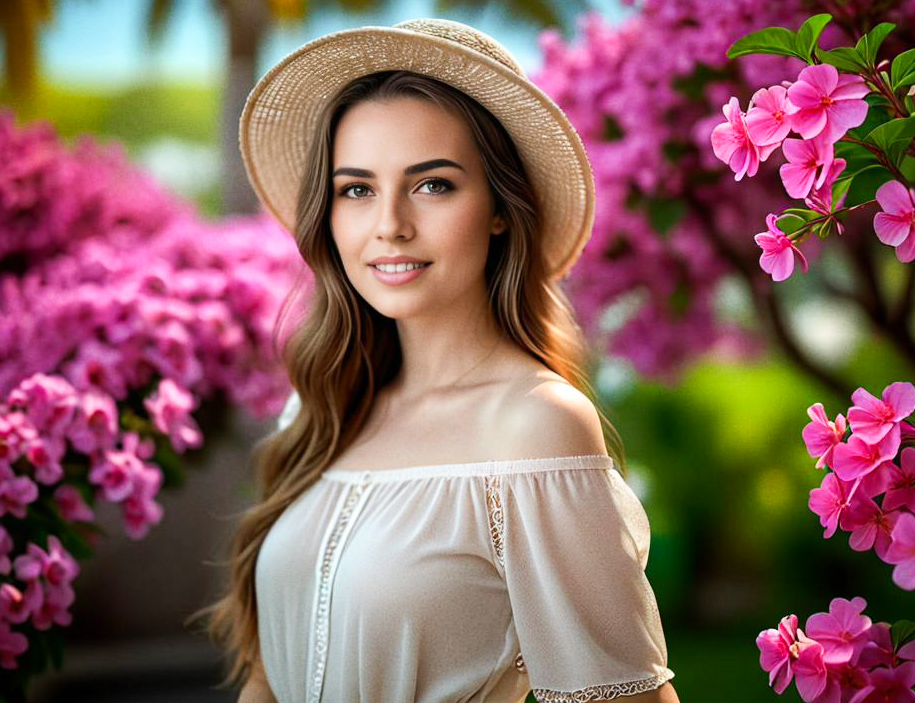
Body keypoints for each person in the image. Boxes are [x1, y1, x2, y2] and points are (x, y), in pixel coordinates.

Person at [194, 17, 679, 703]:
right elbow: (265, 680)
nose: (388, 223)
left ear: (500, 210)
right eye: (355, 188)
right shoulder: (323, 406)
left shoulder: (534, 428)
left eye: (432, 185)